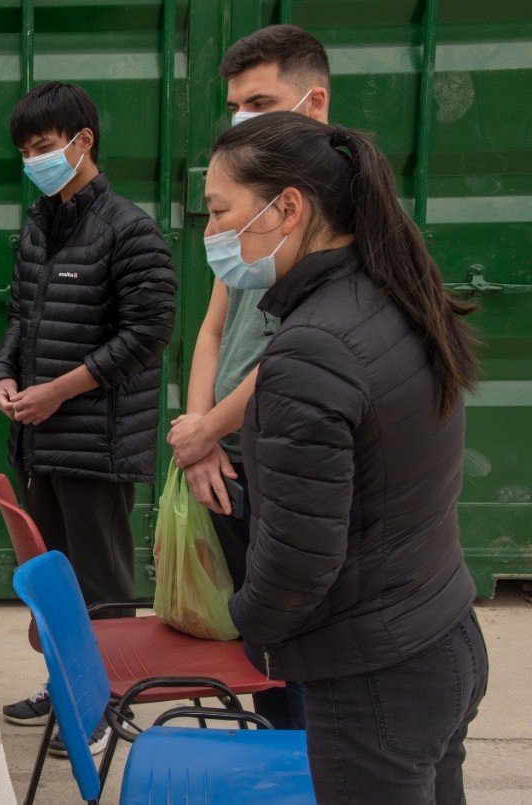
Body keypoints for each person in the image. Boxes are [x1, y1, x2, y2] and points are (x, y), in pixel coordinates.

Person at [209, 113, 487, 804]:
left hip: (377, 680)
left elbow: (301, 556)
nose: (211, 233)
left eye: (219, 211)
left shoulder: (310, 348)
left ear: (289, 208)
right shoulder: (393, 291)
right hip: (441, 632)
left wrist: (249, 620)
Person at [0, 81, 176, 754]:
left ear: (82, 141)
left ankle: (106, 705)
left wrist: (60, 390)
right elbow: (20, 318)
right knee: (55, 580)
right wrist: (4, 375)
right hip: (39, 434)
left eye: (43, 146)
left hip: (97, 442)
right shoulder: (39, 224)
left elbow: (148, 333)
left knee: (100, 584)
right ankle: (66, 682)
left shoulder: (129, 228)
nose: (34, 159)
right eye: (26, 150)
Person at [167, 23, 331, 730]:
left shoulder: (332, 213)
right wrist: (203, 433)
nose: (243, 121)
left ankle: (299, 764)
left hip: (278, 455)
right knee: (257, 638)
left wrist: (209, 426)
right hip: (226, 456)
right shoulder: (248, 202)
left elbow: (301, 351)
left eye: (260, 102)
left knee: (300, 646)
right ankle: (272, 756)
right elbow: (211, 328)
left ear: (314, 103)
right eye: (236, 105)